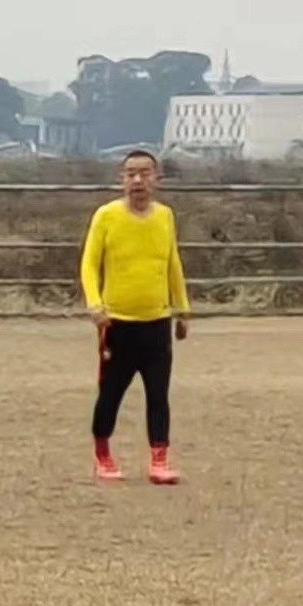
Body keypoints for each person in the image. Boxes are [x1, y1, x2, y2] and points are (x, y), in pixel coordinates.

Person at [79, 150, 191, 483]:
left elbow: (172, 263)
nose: (138, 181)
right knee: (110, 393)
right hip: (117, 323)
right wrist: (95, 305)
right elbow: (89, 264)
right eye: (131, 174)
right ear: (122, 179)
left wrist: (182, 308)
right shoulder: (106, 216)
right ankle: (103, 454)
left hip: (156, 323)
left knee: (159, 394)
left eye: (145, 173)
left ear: (157, 179)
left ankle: (159, 458)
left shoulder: (165, 216)